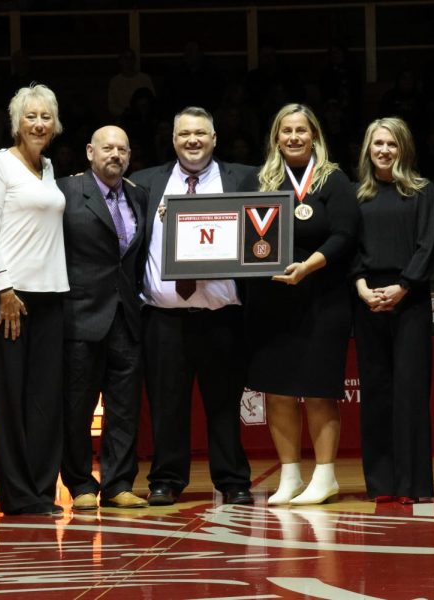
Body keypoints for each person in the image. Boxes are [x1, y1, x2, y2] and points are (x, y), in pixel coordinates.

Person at [129, 106, 254, 506]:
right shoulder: (146, 183)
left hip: (223, 317)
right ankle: (165, 480)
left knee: (224, 404)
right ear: (173, 140)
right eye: (184, 134)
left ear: (214, 138)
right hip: (164, 318)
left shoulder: (243, 179)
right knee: (166, 406)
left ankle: (232, 480)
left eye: (200, 133)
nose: (192, 140)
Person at [244, 103, 360, 506]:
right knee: (276, 391)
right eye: (286, 131)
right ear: (275, 138)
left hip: (322, 299)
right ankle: (290, 476)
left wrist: (309, 266)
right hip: (273, 303)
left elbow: (345, 235)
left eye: (301, 130)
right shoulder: (261, 182)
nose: (294, 137)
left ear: (315, 137)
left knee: (317, 391)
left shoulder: (334, 180)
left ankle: (325, 476)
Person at [0, 84, 68, 516]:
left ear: (55, 125)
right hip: (9, 298)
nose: (38, 124)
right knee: (10, 400)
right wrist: (4, 288)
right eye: (30, 116)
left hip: (51, 296)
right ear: (17, 122)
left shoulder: (49, 168)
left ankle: (42, 491)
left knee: (46, 400)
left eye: (45, 116)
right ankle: (17, 495)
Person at [57, 126, 148, 510]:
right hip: (81, 314)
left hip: (127, 315)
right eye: (108, 148)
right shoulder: (65, 192)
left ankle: (118, 484)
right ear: (90, 151)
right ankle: (79, 483)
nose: (116, 154)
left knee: (125, 407)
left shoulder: (138, 195)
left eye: (123, 149)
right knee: (77, 406)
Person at [352, 117, 434, 504]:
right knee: (375, 391)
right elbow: (349, 248)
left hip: (410, 299)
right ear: (368, 149)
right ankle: (382, 484)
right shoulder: (357, 195)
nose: (384, 150)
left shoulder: (422, 191)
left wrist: (402, 287)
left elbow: (428, 245)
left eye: (392, 144)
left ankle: (412, 484)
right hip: (367, 298)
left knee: (410, 392)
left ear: (403, 148)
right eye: (377, 144)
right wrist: (362, 289)